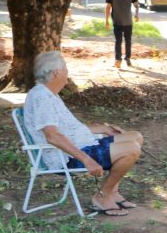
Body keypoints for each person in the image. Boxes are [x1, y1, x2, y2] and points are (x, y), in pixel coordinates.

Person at [23, 51, 144, 216]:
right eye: (65, 68)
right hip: (66, 157)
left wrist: (103, 128)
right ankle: (102, 196)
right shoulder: (41, 98)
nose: (67, 72)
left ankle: (112, 193)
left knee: (135, 136)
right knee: (132, 148)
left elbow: (69, 128)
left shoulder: (49, 94)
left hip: (83, 144)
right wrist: (87, 160)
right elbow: (52, 136)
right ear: (56, 73)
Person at [104, 0, 140, 69]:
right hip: (117, 22)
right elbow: (108, 7)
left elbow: (136, 4)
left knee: (128, 41)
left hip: (128, 22)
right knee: (118, 41)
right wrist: (106, 20)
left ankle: (127, 58)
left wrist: (137, 13)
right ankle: (118, 59)